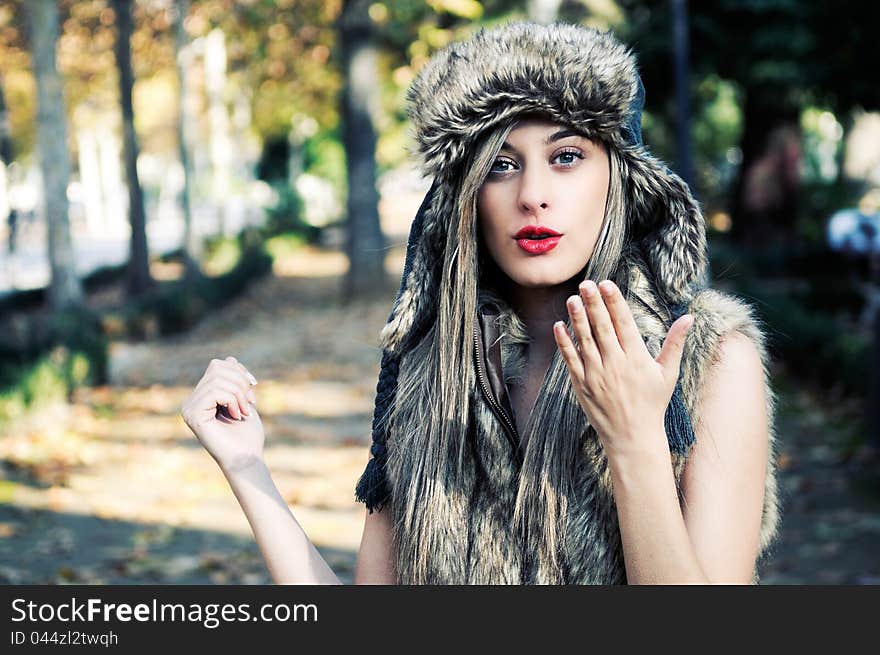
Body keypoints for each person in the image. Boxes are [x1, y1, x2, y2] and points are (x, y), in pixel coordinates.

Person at [181, 21, 779, 585]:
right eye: (500, 165)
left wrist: (634, 443)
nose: (533, 196)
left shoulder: (710, 359)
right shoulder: (429, 365)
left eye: (566, 156)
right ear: (465, 197)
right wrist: (246, 468)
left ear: (619, 176)